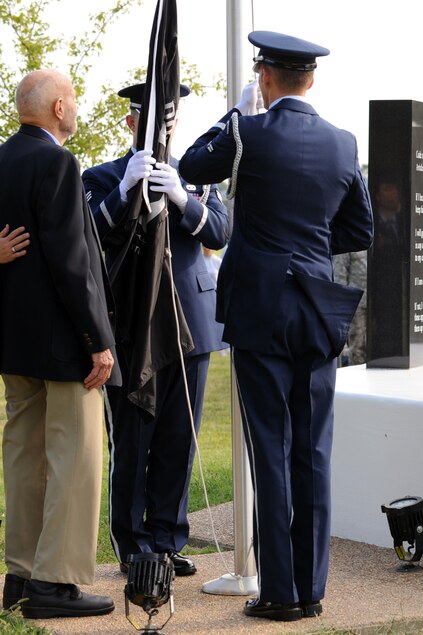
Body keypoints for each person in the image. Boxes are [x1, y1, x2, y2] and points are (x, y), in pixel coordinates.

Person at [178, 31, 373, 622]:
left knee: (271, 446)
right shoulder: (343, 143)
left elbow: (191, 165)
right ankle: (311, 589)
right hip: (315, 308)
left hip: (260, 308)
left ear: (264, 78)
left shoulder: (249, 132)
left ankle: (281, 592)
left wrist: (233, 116)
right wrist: (309, 249)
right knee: (313, 449)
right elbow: (358, 230)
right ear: (310, 80)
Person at [82, 82, 229, 578]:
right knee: (133, 439)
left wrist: (183, 200)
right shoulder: (101, 175)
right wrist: (125, 192)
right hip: (131, 325)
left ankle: (167, 538)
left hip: (190, 321)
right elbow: (89, 236)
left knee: (177, 439)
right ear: (129, 122)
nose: (159, 128)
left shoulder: (194, 176)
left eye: (167, 119)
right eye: (148, 119)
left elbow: (220, 232)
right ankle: (133, 543)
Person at [0, 69, 116, 618]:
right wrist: (97, 341)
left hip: (12, 344)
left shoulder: (1, 159)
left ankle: (20, 575)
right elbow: (73, 264)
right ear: (58, 108)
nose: (75, 109)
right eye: (73, 101)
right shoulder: (58, 163)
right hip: (65, 344)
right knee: (75, 459)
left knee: (24, 456)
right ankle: (55, 584)